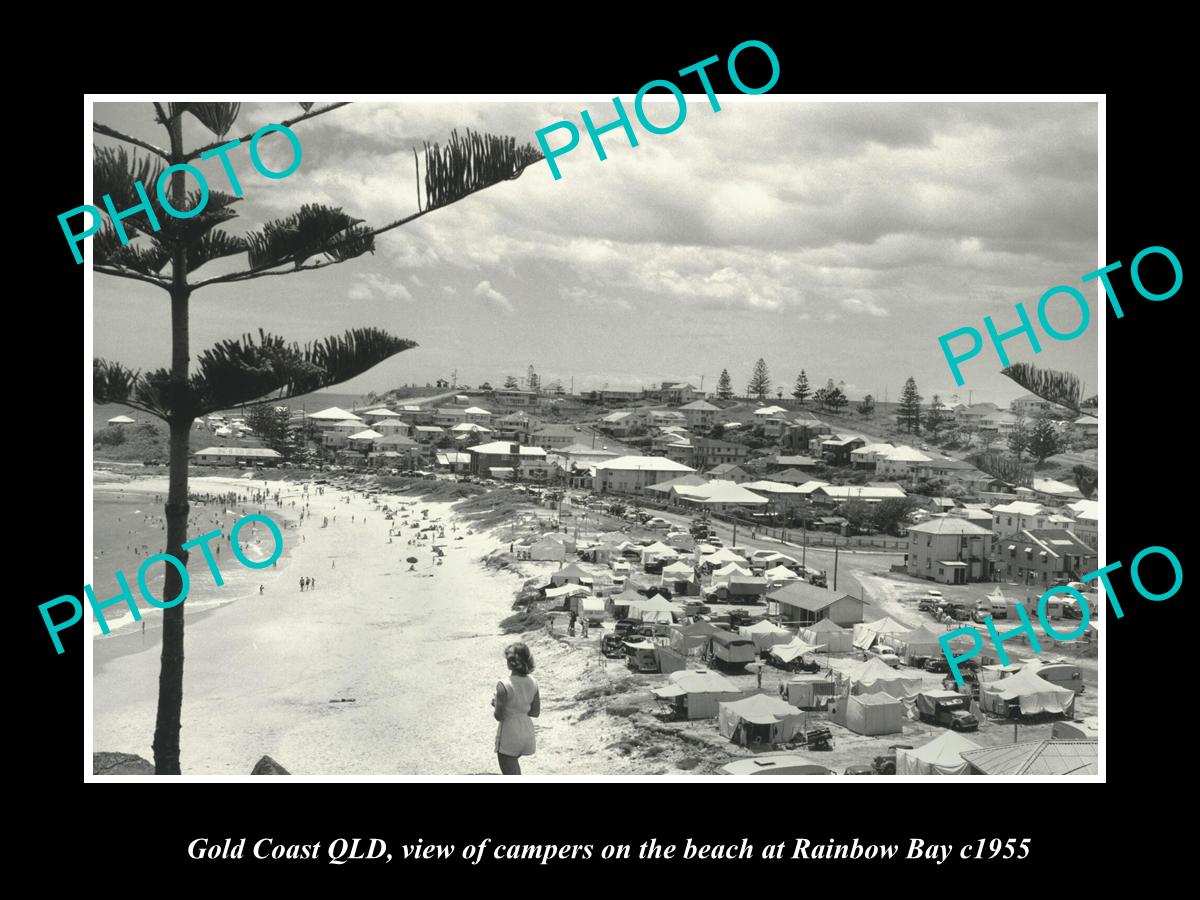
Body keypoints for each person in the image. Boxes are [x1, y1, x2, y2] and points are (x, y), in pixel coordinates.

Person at [493, 643, 539, 775]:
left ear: (508, 662)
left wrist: (496, 703)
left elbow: (499, 716)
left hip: (509, 733)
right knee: (514, 769)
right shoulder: (533, 681)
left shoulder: (504, 684)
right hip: (527, 730)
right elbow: (535, 712)